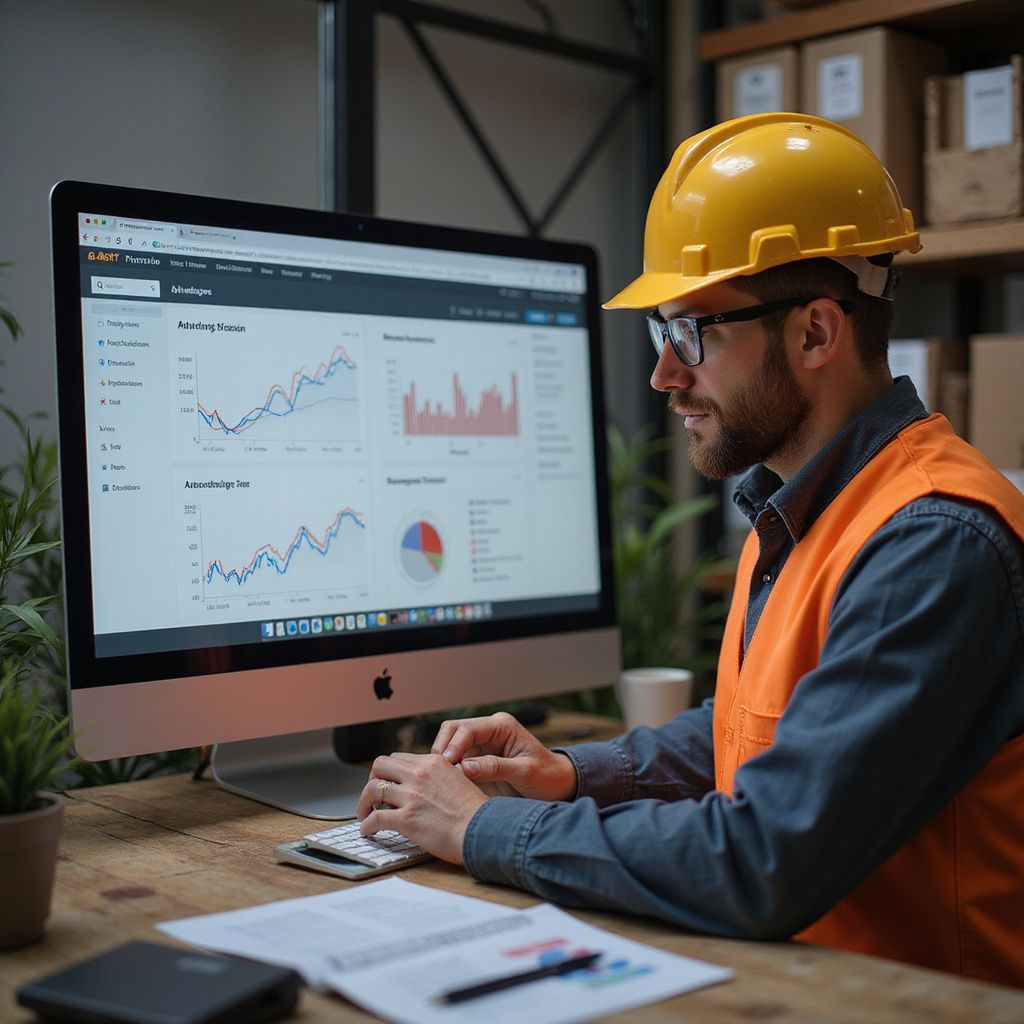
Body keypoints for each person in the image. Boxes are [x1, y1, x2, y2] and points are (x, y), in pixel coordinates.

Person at [355, 113, 1024, 987]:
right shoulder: (805, 505)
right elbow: (757, 731)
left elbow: (763, 857)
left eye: (690, 334)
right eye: (659, 335)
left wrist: (479, 829)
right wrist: (569, 772)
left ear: (817, 333)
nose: (664, 377)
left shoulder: (933, 541)